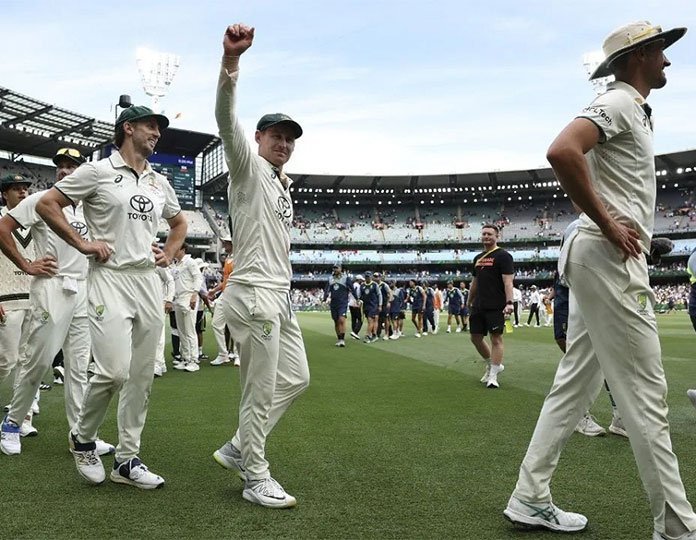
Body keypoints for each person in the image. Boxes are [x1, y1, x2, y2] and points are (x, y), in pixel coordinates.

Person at [504, 22, 696, 540]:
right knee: (645, 393)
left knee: (574, 387)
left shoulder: (631, 108)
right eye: (661, 52)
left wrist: (621, 223)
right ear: (639, 56)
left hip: (598, 253)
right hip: (607, 257)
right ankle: (678, 527)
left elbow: (593, 172)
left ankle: (529, 497)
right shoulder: (619, 104)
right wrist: (611, 223)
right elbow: (562, 150)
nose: (668, 61)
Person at [36, 105, 187, 489]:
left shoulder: (158, 181)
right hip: (109, 279)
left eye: (159, 128)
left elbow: (179, 221)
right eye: (151, 126)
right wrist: (84, 243)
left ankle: (127, 459)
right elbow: (47, 204)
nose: (157, 133)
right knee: (113, 371)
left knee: (141, 376)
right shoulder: (98, 171)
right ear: (128, 128)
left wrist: (168, 253)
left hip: (148, 281)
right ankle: (83, 439)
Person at [211, 23, 310, 509]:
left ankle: (237, 447)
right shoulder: (247, 166)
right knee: (259, 388)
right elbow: (226, 121)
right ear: (259, 138)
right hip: (253, 291)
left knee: (296, 378)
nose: (284, 143)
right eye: (276, 135)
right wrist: (231, 63)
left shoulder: (280, 181)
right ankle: (255, 474)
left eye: (290, 138)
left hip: (280, 293)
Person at [0, 150, 114, 456]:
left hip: (84, 289)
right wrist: (26, 264)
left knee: (78, 368)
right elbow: (3, 228)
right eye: (60, 167)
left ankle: (79, 433)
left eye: (71, 167)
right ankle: (12, 423)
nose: (64, 172)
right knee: (37, 361)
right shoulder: (40, 200)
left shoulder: (91, 207)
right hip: (51, 286)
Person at [0, 174, 42, 448]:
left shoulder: (36, 220)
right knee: (6, 361)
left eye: (26, 188)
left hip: (35, 298)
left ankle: (21, 417)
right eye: (16, 189)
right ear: (5, 194)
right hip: (7, 299)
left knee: (30, 362)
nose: (23, 193)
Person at [468, 224, 514, 389]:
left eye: (489, 234)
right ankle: (492, 364)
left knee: (496, 338)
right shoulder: (478, 258)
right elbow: (475, 282)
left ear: (497, 236)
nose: (486, 236)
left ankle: (493, 376)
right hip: (479, 304)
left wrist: (510, 302)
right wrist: (469, 300)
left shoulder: (504, 256)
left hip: (496, 305)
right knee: (475, 337)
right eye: (484, 234)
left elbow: (508, 282)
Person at [170, 243, 203, 373]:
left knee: (189, 330)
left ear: (183, 249)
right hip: (178, 299)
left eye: (176, 248)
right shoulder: (176, 264)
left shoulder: (190, 262)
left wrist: (194, 294)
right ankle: (185, 358)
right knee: (181, 331)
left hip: (188, 297)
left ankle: (194, 360)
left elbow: (198, 278)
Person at [209, 235, 239, 366]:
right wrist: (214, 291)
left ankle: (238, 355)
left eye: (226, 243)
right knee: (216, 323)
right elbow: (225, 280)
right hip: (225, 294)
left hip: (235, 295)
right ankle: (223, 354)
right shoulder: (228, 259)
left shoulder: (239, 258)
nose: (224, 246)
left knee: (237, 326)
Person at [323, 264, 353, 347]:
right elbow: (327, 290)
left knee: (341, 319)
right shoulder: (330, 279)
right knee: (336, 321)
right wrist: (324, 298)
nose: (335, 269)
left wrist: (357, 299)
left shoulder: (346, 278)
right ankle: (339, 339)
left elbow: (352, 288)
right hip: (334, 303)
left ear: (341, 269)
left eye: (337, 268)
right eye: (334, 268)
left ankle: (342, 340)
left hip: (342, 303)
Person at [154, 265, 174, 377]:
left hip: (159, 303)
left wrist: (169, 300)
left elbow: (170, 281)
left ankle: (157, 365)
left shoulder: (157, 263)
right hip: (145, 304)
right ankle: (161, 364)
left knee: (158, 335)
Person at [360, 271, 382, 343]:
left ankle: (368, 336)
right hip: (365, 306)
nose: (367, 278)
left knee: (370, 320)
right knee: (370, 321)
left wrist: (380, 305)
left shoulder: (375, 285)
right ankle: (374, 335)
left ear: (371, 277)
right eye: (366, 276)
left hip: (373, 305)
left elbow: (379, 295)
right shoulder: (362, 285)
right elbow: (359, 295)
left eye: (368, 276)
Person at [374, 272, 391, 340]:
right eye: (374, 277)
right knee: (378, 319)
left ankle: (386, 334)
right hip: (376, 304)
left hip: (384, 304)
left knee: (386, 319)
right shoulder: (374, 285)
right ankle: (377, 333)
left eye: (377, 277)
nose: (375, 278)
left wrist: (388, 302)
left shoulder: (384, 285)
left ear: (380, 277)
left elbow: (389, 293)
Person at [348, 274, 364, 340]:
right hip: (356, 303)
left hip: (350, 303)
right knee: (360, 319)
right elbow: (357, 295)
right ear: (359, 280)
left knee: (353, 319)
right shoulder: (358, 286)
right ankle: (355, 332)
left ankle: (354, 333)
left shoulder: (352, 285)